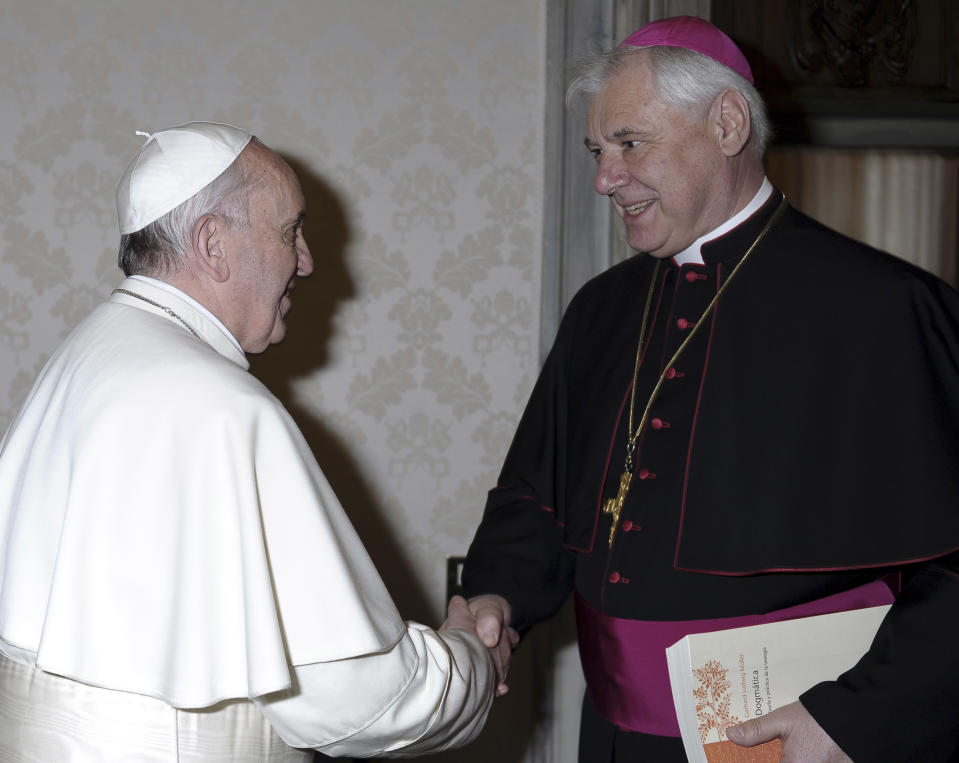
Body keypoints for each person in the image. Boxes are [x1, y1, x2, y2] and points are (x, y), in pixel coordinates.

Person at [451, 15, 959, 762]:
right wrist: (495, 597)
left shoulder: (885, 308)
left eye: (630, 142)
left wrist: (857, 719)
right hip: (615, 740)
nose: (602, 177)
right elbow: (536, 497)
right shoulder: (602, 311)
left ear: (725, 124)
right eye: (597, 150)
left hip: (803, 741)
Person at [0, 121, 497, 760]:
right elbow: (355, 701)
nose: (308, 260)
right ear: (214, 244)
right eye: (291, 231)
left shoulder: (83, 356)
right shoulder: (222, 408)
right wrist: (471, 660)